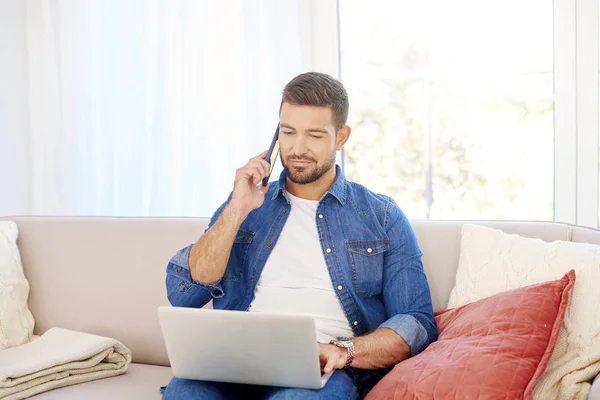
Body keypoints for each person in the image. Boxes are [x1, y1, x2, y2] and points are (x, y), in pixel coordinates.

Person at [162, 72, 437, 400]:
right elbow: (186, 296)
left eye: (315, 135)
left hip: (319, 371)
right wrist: (236, 210)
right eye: (288, 133)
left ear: (341, 137)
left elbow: (417, 323)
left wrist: (343, 350)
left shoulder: (382, 216)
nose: (298, 148)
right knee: (185, 393)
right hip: (233, 364)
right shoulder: (244, 204)